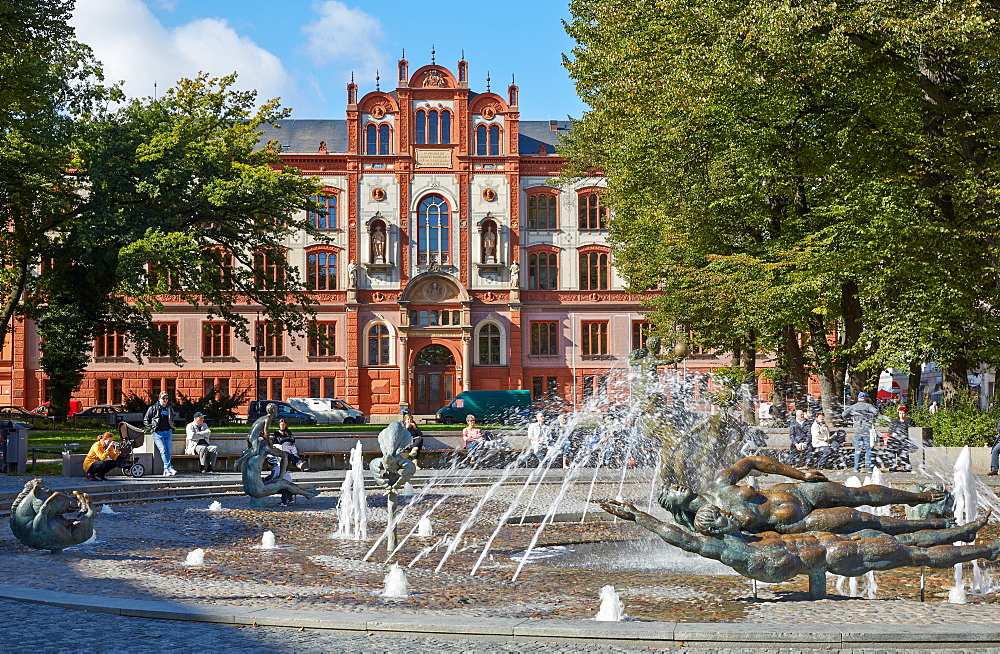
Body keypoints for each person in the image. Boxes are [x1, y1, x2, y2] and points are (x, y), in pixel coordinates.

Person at [602, 499, 998, 585]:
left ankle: (964, 533)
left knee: (901, 539)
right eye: (723, 517)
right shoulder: (723, 547)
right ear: (716, 527)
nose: (729, 515)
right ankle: (985, 550)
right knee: (912, 555)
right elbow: (679, 536)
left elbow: (685, 524)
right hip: (835, 554)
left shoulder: (741, 537)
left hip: (823, 545)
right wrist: (638, 516)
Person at [657, 455, 951, 536]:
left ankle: (918, 499)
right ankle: (930, 527)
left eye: (672, 484)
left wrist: (798, 474)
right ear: (673, 506)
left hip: (796, 491)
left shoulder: (721, 483)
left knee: (858, 493)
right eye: (670, 493)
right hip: (795, 523)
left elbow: (753, 461)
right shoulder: (707, 523)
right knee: (861, 519)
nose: (676, 487)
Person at [842, 391, 879, 473]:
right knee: (869, 449)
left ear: (858, 398)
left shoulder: (853, 407)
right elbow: (876, 412)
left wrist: (851, 421)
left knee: (858, 449)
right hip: (866, 430)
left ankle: (856, 468)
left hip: (857, 430)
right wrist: (871, 419)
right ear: (865, 398)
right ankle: (869, 469)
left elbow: (844, 414)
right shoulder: (868, 406)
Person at [144, 391, 178, 476]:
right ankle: (169, 468)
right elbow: (146, 420)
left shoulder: (169, 408)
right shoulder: (153, 408)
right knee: (163, 450)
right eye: (163, 398)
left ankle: (166, 469)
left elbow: (172, 418)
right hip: (157, 433)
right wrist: (151, 428)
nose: (165, 400)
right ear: (159, 399)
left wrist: (171, 427)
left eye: (166, 398)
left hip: (168, 432)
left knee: (169, 451)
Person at [885, 405, 917, 472]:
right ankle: (892, 465)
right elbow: (890, 431)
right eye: (900, 413)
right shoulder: (895, 421)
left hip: (905, 440)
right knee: (890, 448)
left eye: (903, 413)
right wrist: (892, 434)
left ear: (906, 414)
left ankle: (906, 466)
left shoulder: (909, 421)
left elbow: (910, 431)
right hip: (895, 440)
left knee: (904, 449)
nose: (901, 415)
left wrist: (901, 435)